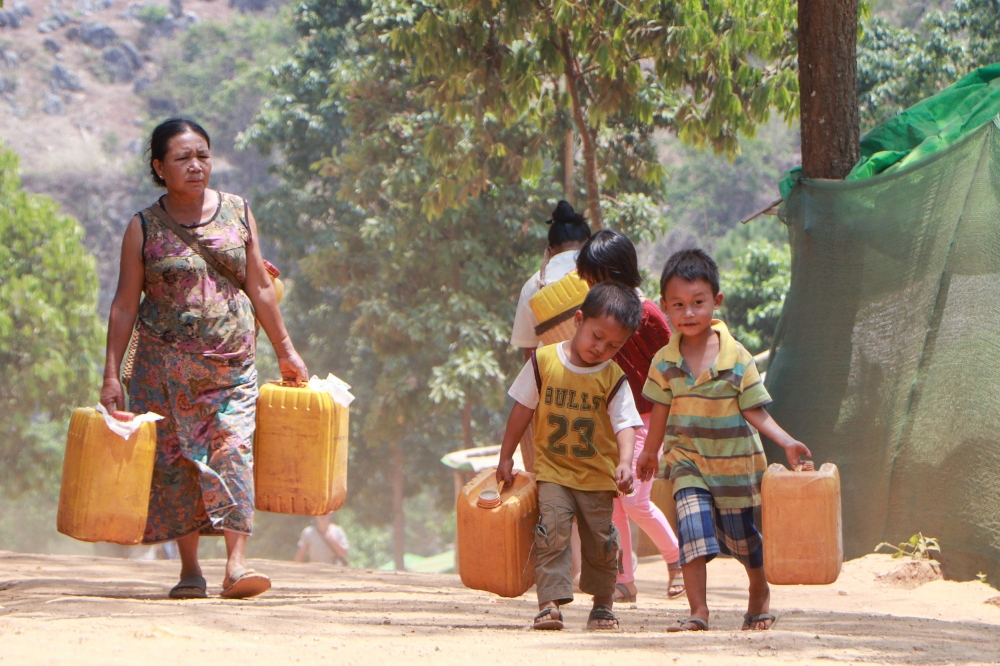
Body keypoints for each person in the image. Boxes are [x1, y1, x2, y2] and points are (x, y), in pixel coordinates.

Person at [100, 118, 309, 600]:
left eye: (203, 156)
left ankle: (236, 565)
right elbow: (125, 305)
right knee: (174, 464)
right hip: (163, 373)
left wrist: (287, 351)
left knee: (234, 450)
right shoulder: (143, 227)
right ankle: (190, 569)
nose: (196, 166)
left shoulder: (238, 211)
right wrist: (112, 375)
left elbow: (259, 285)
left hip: (232, 366)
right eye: (182, 158)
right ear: (159, 167)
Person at [636, 249, 811, 632]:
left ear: (716, 301)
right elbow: (660, 410)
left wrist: (787, 441)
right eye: (678, 305)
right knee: (692, 530)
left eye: (698, 303)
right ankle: (698, 611)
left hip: (735, 463)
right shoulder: (663, 362)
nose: (688, 313)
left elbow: (754, 409)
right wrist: (650, 452)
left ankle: (758, 591)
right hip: (688, 461)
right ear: (664, 306)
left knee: (743, 539)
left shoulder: (738, 358)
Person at [497, 282, 644, 632]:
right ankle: (549, 604)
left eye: (614, 345)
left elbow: (626, 424)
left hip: (597, 477)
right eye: (597, 336)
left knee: (600, 541)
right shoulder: (543, 361)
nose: (601, 348)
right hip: (554, 472)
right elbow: (521, 410)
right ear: (579, 320)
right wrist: (506, 457)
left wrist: (625, 462)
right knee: (553, 532)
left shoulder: (613, 378)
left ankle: (603, 605)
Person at [575, 229, 683, 604]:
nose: (591, 287)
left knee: (634, 500)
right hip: (613, 420)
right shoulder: (601, 316)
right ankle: (624, 580)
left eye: (595, 279)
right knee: (614, 499)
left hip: (649, 418)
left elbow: (672, 363)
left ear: (613, 272)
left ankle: (677, 562)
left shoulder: (649, 313)